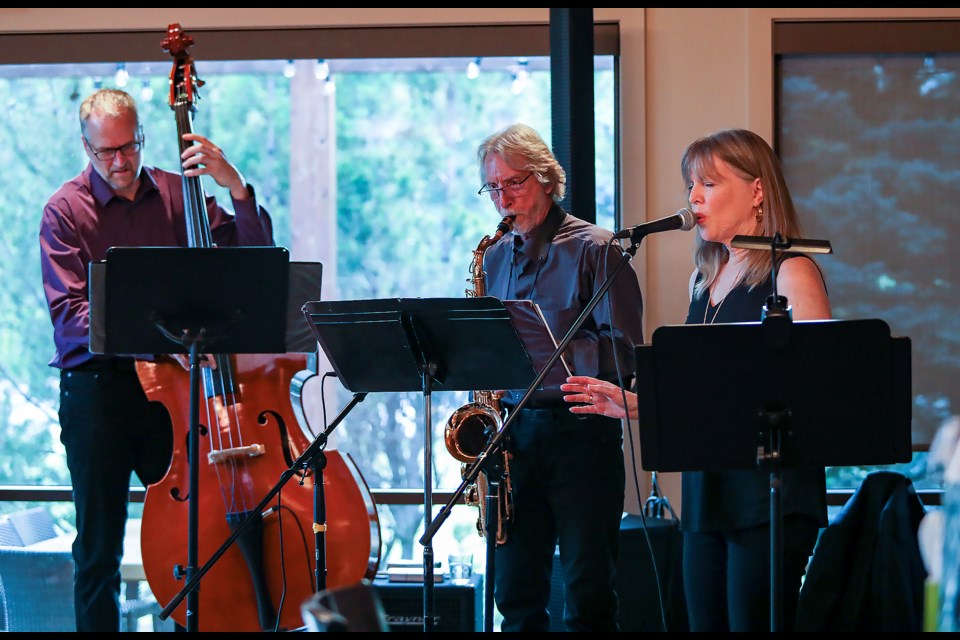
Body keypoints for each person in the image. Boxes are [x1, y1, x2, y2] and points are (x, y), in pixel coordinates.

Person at [561, 128, 830, 632]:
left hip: (768, 492)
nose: (693, 198)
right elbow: (700, 387)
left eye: (708, 184)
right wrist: (638, 403)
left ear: (756, 191)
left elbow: (812, 392)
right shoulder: (703, 281)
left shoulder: (792, 273)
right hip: (709, 492)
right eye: (690, 185)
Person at [38, 88, 275, 632]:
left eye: (129, 147)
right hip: (99, 392)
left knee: (194, 530)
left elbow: (253, 262)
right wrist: (163, 343)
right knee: (97, 547)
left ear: (141, 136)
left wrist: (234, 186)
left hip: (174, 393)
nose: (119, 163)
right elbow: (72, 319)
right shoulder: (64, 211)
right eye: (105, 152)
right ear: (85, 146)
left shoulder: (177, 194)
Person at [475, 123, 645, 631]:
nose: (502, 198)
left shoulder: (597, 248)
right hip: (511, 437)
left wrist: (543, 348)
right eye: (493, 187)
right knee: (515, 595)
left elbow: (625, 353)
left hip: (580, 432)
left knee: (588, 592)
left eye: (514, 183)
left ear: (547, 178)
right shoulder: (494, 255)